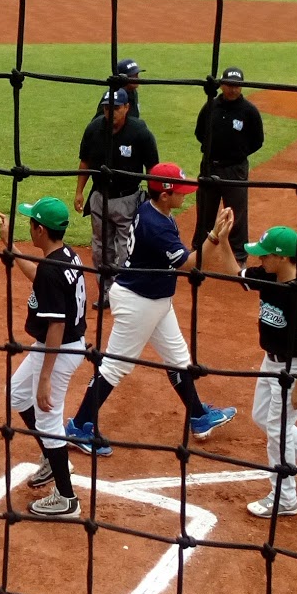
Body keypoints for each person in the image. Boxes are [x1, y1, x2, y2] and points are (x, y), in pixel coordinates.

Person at [65, 164, 237, 457]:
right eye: (180, 191)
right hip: (139, 302)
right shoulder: (156, 225)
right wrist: (215, 237)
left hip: (154, 299)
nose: (185, 195)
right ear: (165, 195)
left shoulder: (154, 210)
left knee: (178, 359)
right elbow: (189, 265)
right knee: (115, 367)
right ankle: (79, 426)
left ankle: (198, 416)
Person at [208, 222, 297, 517]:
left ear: (282, 258)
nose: (260, 259)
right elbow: (235, 274)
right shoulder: (267, 276)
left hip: (294, 367)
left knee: (278, 431)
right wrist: (225, 240)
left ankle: (285, 498)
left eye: (266, 255)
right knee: (263, 418)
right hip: (271, 362)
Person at [0, 196, 89, 521]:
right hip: (61, 346)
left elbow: (56, 326)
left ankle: (66, 498)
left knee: (49, 419)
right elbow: (40, 277)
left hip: (59, 351)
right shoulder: (67, 256)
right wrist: (11, 247)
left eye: (30, 223)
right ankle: (52, 458)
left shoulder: (52, 269)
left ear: (40, 230)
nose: (28, 227)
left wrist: (46, 377)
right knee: (16, 394)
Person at [75, 87, 159, 309]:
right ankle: (106, 293)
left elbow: (152, 167)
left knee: (125, 250)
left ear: (127, 108)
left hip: (127, 200)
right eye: (106, 108)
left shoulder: (139, 132)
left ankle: (125, 294)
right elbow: (85, 162)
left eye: (116, 108)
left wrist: (154, 198)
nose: (110, 112)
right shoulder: (94, 129)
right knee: (100, 249)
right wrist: (79, 191)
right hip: (99, 197)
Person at [193, 66, 265, 264]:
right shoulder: (210, 107)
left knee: (236, 214)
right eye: (230, 85)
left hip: (235, 169)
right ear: (222, 85)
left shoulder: (249, 111)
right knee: (205, 211)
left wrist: (238, 153)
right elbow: (200, 132)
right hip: (210, 166)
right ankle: (199, 252)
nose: (233, 89)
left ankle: (239, 256)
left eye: (237, 86)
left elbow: (258, 140)